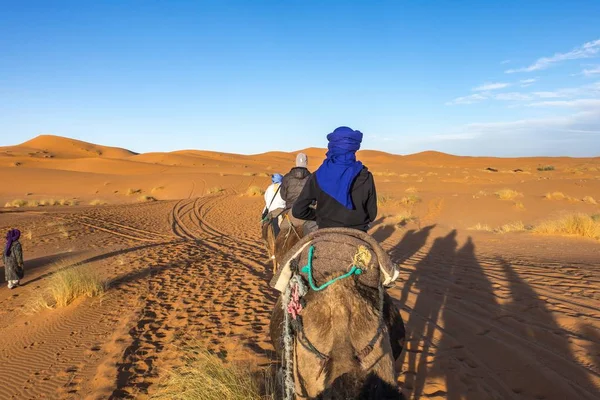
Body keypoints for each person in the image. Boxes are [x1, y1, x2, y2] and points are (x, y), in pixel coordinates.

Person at [292, 126, 377, 232]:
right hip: (358, 233)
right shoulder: (366, 176)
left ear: (331, 146)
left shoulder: (317, 175)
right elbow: (372, 215)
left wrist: (318, 216)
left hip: (325, 231)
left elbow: (298, 211)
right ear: (354, 148)